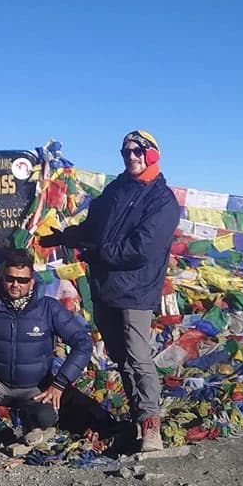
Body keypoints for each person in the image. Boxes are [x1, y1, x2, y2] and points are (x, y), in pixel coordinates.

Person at [39, 130, 180, 452]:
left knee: (138, 356)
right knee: (121, 358)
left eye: (137, 151)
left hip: (136, 290)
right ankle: (136, 420)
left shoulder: (162, 200)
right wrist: (64, 237)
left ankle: (151, 425)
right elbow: (95, 228)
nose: (131, 156)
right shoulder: (116, 189)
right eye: (125, 151)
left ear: (153, 154)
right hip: (104, 287)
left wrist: (98, 252)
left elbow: (141, 248)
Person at [0, 250, 93, 474]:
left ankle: (34, 426)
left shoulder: (49, 308)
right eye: (10, 279)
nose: (15, 284)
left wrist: (59, 384)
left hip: (34, 388)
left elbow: (83, 343)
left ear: (32, 281)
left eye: (22, 280)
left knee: (46, 416)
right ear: (3, 279)